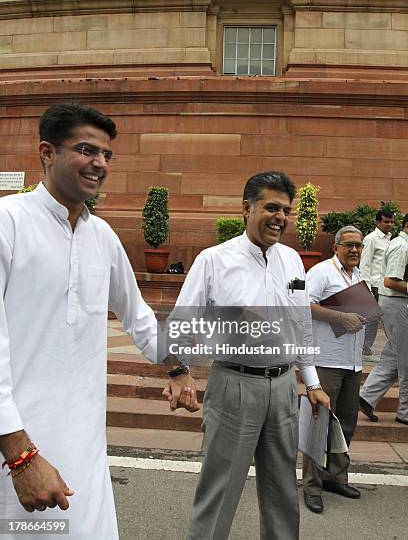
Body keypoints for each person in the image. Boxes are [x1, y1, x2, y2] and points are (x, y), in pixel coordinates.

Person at [0, 103, 183, 539]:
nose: (99, 163)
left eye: (106, 154)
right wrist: (20, 456)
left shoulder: (102, 236)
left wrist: (175, 367)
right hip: (16, 449)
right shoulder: (8, 223)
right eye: (86, 149)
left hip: (85, 444)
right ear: (46, 152)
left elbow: (138, 315)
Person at [162, 171, 330, 540]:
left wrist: (312, 382)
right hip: (234, 385)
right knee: (220, 489)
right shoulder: (214, 260)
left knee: (283, 490)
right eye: (271, 207)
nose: (280, 217)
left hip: (285, 387)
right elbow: (179, 324)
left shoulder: (292, 261)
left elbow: (301, 325)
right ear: (246, 208)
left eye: (286, 210)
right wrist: (179, 371)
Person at [302, 226, 365, 514]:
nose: (354, 250)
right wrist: (340, 315)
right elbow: (304, 304)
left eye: (358, 246)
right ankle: (312, 487)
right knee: (320, 426)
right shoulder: (321, 272)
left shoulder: (359, 275)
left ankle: (335, 478)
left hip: (352, 362)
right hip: (326, 361)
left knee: (346, 425)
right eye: (349, 245)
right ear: (336, 247)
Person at [359, 214, 408, 426]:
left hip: (397, 303)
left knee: (394, 354)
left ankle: (367, 396)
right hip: (396, 303)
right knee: (405, 358)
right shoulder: (401, 247)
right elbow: (390, 281)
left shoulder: (397, 243)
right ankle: (405, 411)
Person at [359, 209, 394, 363]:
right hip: (374, 284)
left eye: (391, 222)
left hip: (385, 284)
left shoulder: (390, 239)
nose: (389, 224)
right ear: (378, 222)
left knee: (386, 319)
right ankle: (364, 351)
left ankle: (392, 351)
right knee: (373, 320)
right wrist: (366, 287)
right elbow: (364, 264)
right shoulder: (371, 239)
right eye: (386, 221)